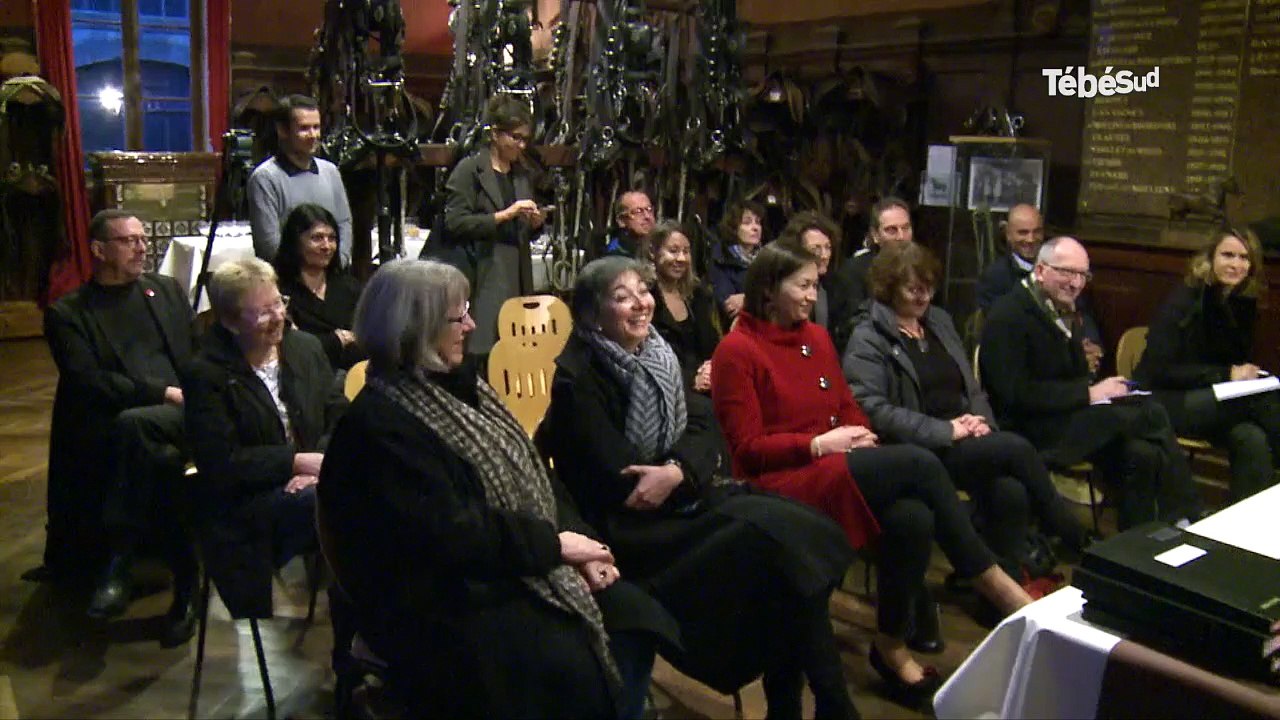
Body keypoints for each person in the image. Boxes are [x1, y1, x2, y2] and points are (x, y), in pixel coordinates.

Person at [319, 259, 677, 719]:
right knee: (564, 661)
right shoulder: (378, 424)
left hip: (499, 560)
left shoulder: (463, 387)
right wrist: (555, 548)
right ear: (414, 328)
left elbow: (536, 478)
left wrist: (583, 547)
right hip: (437, 594)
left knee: (636, 616)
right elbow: (451, 533)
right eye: (457, 317)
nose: (471, 326)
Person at [711, 243, 1032, 709]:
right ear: (768, 290)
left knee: (913, 518)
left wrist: (859, 434)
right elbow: (746, 452)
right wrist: (818, 444)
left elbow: (848, 406)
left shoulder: (816, 338)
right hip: (781, 481)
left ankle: (891, 644)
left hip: (835, 462)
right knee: (919, 462)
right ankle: (994, 583)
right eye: (803, 286)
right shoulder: (736, 351)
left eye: (815, 285)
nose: (812, 295)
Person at [545, 256, 860, 720]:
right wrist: (682, 471)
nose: (641, 303)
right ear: (592, 315)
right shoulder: (577, 379)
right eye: (623, 297)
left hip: (682, 496)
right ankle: (824, 706)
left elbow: (704, 422)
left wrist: (677, 469)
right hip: (635, 529)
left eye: (643, 291)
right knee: (780, 548)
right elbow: (626, 479)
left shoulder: (658, 354)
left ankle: (805, 705)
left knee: (800, 540)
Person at [844, 243, 1089, 585]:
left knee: (1009, 491)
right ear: (889, 288)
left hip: (963, 437)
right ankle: (1071, 535)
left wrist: (981, 421)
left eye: (929, 288)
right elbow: (875, 410)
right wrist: (946, 430)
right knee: (1016, 448)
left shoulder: (939, 322)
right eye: (913, 289)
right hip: (917, 448)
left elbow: (972, 388)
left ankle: (996, 590)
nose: (923, 297)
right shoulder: (869, 337)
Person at [41, 209, 198, 645]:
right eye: (129, 240)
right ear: (98, 250)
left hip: (185, 413)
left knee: (137, 430)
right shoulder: (68, 313)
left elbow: (196, 351)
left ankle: (120, 561)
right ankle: (187, 585)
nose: (141, 247)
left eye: (143, 239)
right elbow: (88, 381)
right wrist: (161, 393)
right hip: (123, 419)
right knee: (157, 456)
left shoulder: (165, 291)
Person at [980, 236, 1203, 530]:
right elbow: (1014, 394)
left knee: (1142, 453)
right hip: (1031, 429)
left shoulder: (1060, 308)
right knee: (1152, 413)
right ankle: (1190, 515)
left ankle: (1134, 544)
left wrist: (1101, 391)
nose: (1076, 283)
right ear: (1041, 270)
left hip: (1068, 416)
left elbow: (1073, 377)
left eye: (1082, 275)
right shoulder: (1008, 315)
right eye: (1067, 272)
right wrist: (1088, 394)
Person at [182, 257, 347, 622]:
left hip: (316, 481)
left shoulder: (304, 348)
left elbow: (339, 416)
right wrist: (295, 463)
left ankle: (361, 626)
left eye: (279, 303)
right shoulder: (206, 373)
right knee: (351, 506)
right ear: (229, 321)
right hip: (248, 502)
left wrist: (318, 465)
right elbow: (221, 463)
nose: (278, 317)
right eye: (262, 312)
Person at [1134, 228, 1280, 502]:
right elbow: (1160, 369)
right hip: (1162, 400)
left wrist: (1242, 375)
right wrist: (1226, 374)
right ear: (1210, 258)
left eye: (1244, 258)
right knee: (1262, 401)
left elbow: (1234, 361)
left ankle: (1244, 525)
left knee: (1252, 438)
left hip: (1211, 401)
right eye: (1228, 255)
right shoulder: (1184, 299)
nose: (1236, 264)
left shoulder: (1239, 302)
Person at [440, 94, 547, 358]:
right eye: (515, 137)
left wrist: (535, 223)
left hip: (516, 274)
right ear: (496, 134)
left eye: (525, 139)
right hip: (482, 272)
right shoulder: (470, 170)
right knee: (483, 350)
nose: (521, 145)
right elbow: (454, 222)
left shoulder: (522, 174)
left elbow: (522, 228)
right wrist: (503, 216)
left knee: (515, 351)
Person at [975, 204, 1103, 374]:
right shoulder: (995, 277)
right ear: (1007, 234)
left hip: (1072, 365)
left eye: (1037, 232)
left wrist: (1091, 345)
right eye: (1023, 232)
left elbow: (1083, 313)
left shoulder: (1066, 269)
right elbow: (1005, 333)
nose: (1031, 239)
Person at [249, 94, 353, 266]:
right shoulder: (265, 178)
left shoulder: (330, 172)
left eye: (316, 127)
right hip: (288, 277)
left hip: (331, 276)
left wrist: (336, 267)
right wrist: (305, 275)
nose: (313, 135)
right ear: (282, 131)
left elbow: (344, 224)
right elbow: (268, 244)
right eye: (304, 128)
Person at [272, 203, 366, 370]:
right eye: (317, 238)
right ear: (295, 242)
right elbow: (292, 348)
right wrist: (338, 339)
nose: (326, 246)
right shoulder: (279, 292)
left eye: (332, 238)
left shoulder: (350, 287)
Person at [647, 221, 721, 393]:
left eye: (686, 252)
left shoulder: (699, 294)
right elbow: (647, 356)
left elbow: (713, 344)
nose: (681, 258)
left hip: (707, 379)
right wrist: (691, 379)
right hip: (665, 385)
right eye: (673, 251)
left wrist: (711, 367)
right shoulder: (644, 296)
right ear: (652, 252)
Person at [777, 210, 855, 352]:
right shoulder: (781, 290)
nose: (824, 255)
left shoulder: (835, 286)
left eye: (828, 247)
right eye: (816, 249)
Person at [835, 196, 913, 308]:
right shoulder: (853, 272)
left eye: (905, 228)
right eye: (892, 230)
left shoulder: (922, 267)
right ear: (875, 235)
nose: (901, 236)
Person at [708, 199, 765, 324]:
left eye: (758, 222)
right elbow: (729, 304)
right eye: (747, 222)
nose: (755, 228)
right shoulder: (722, 258)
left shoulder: (768, 258)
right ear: (734, 228)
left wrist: (747, 299)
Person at [603, 189, 656, 258]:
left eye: (649, 209)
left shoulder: (661, 245)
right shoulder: (614, 253)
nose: (647, 216)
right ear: (621, 220)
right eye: (638, 211)